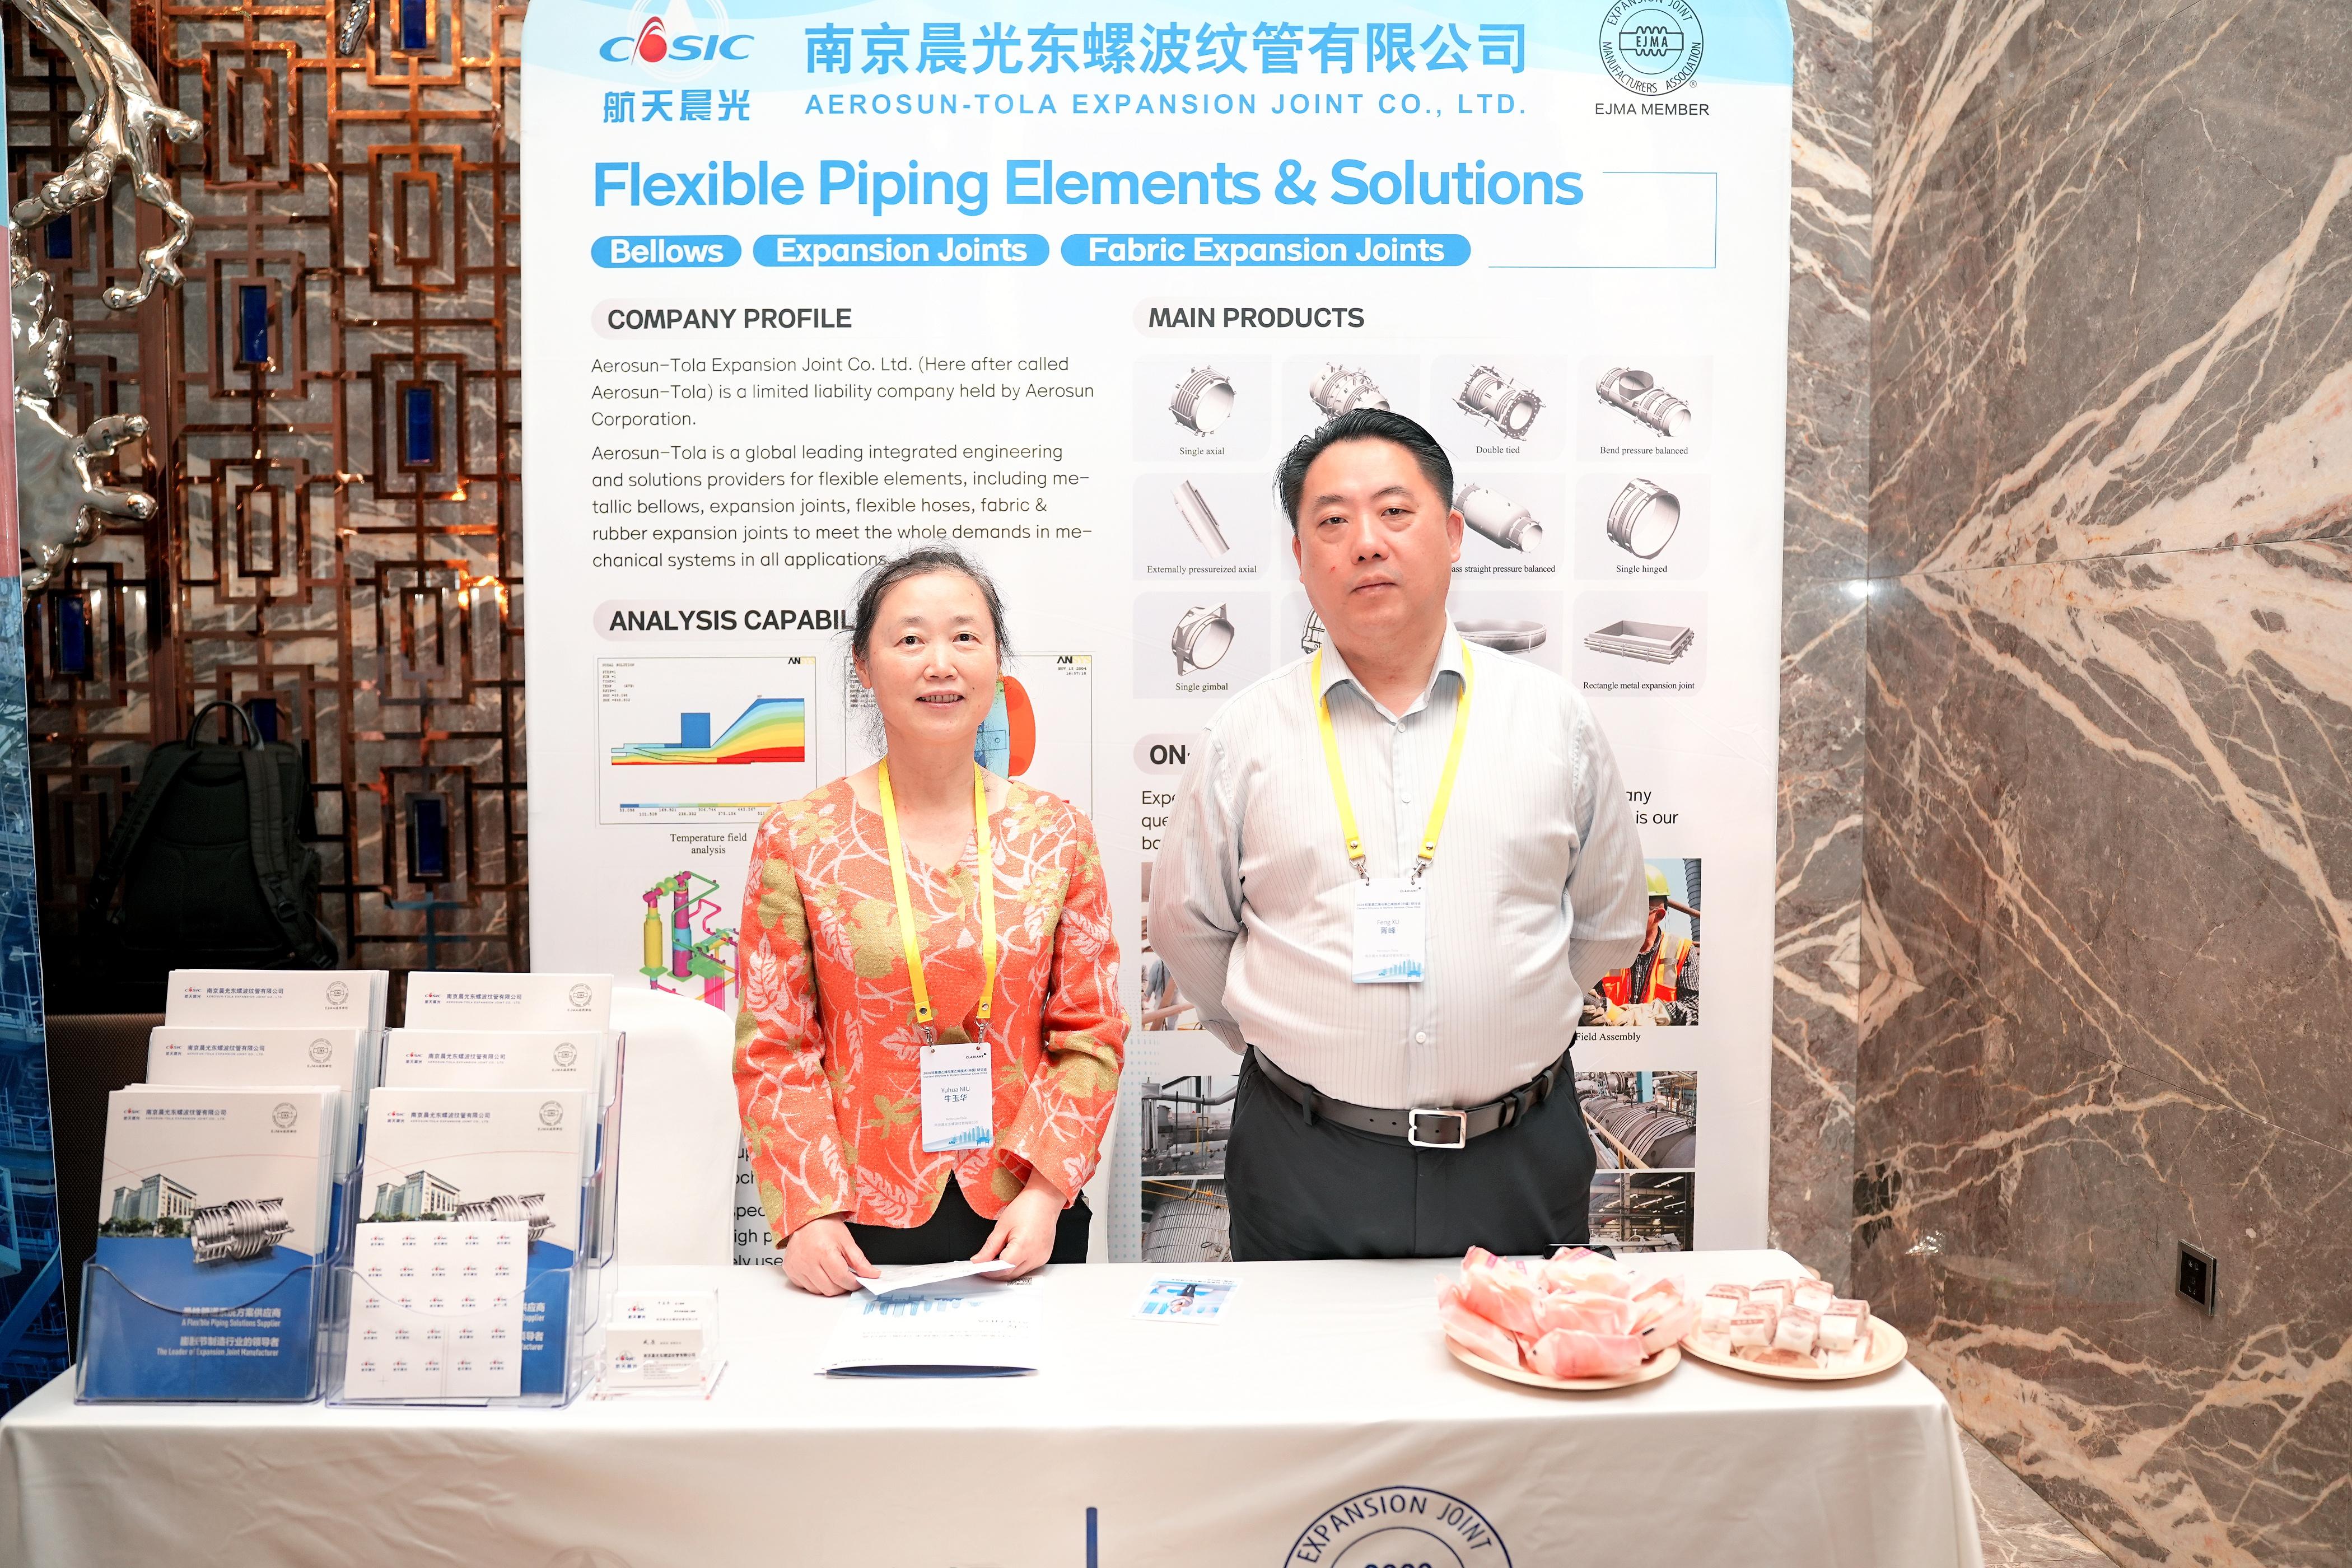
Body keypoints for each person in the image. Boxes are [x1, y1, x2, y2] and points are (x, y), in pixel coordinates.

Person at [1148, 409, 1650, 1261]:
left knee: (1520, 1350)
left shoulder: (1552, 720)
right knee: (1301, 1350)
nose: (1366, 544)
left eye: (1394, 512)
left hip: (1518, 1154)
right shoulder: (1245, 734)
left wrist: (1504, 1010)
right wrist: (1289, 1036)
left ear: (1453, 535)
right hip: (1306, 1158)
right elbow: (1189, 929)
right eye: (1333, 522)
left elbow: (1607, 924)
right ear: (1300, 557)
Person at [734, 548, 1125, 1295]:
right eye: (910, 639)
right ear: (863, 664)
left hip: (1025, 1213)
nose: (939, 664)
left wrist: (1048, 1191)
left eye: (965, 637)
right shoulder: (800, 836)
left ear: (997, 661)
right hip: (853, 1221)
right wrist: (807, 1213)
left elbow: (1091, 1031)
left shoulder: (1057, 834)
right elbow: (776, 1044)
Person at [1586, 865, 1700, 1025]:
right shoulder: (1605, 951)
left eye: (1635, 909)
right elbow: (1590, 998)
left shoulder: (1682, 951)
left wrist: (1654, 1014)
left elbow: (1696, 1008)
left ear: (1659, 916)